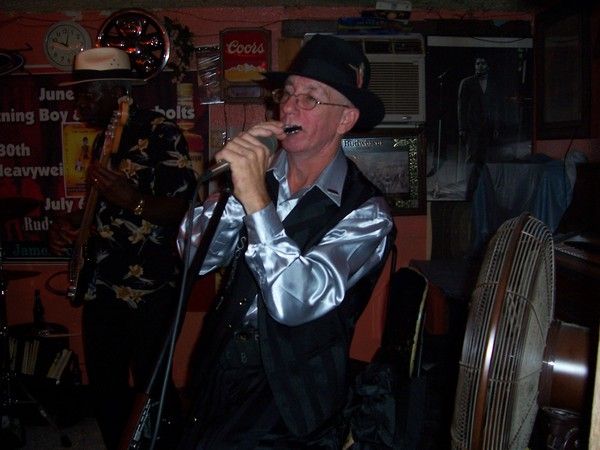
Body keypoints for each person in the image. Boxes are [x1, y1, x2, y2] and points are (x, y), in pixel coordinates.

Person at [176, 34, 396, 449]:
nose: (290, 106)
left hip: (292, 395)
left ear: (345, 120)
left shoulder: (367, 214)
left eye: (310, 98)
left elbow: (295, 303)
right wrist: (243, 188)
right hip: (219, 363)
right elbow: (194, 256)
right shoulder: (257, 181)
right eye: (288, 93)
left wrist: (256, 199)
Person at [48, 47, 197, 449]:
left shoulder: (161, 132)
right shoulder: (104, 140)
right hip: (103, 284)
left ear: (117, 91)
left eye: (87, 93)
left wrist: (135, 200)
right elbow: (102, 208)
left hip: (150, 288)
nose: (79, 103)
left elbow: (184, 208)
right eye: (78, 94)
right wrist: (71, 225)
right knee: (105, 385)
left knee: (152, 387)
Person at [457, 56, 500, 164]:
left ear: (488, 66)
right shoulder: (467, 82)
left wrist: (496, 127)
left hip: (487, 126)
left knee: (485, 157)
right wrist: (462, 128)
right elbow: (462, 106)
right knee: (471, 156)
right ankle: (469, 175)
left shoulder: (493, 84)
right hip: (472, 126)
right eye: (478, 63)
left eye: (483, 63)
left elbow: (496, 107)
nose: (480, 66)